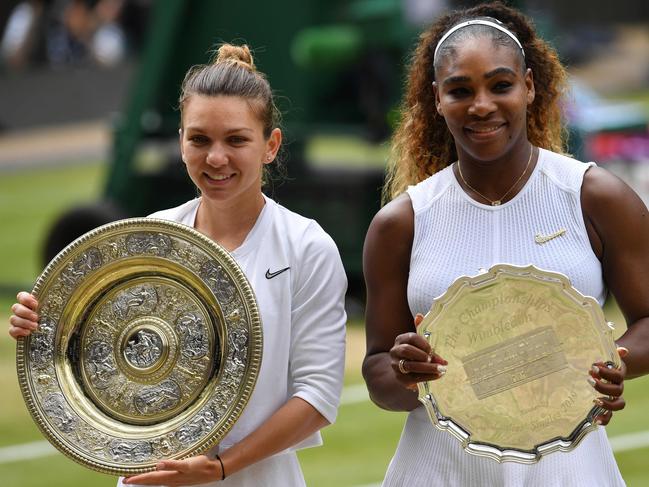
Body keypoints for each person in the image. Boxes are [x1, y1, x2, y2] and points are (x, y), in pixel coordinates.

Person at [9, 43, 347, 486]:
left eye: (237, 139)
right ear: (181, 141)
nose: (217, 158)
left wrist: (221, 467)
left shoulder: (307, 247)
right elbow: (105, 349)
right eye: (200, 139)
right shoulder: (149, 236)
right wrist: (45, 324)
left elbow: (318, 398)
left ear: (271, 145)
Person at [362, 2, 649, 486]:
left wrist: (610, 361)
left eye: (500, 85)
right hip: (439, 472)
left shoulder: (594, 196)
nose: (481, 105)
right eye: (460, 90)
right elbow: (379, 377)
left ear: (530, 87)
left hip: (572, 472)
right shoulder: (401, 222)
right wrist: (406, 372)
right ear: (436, 98)